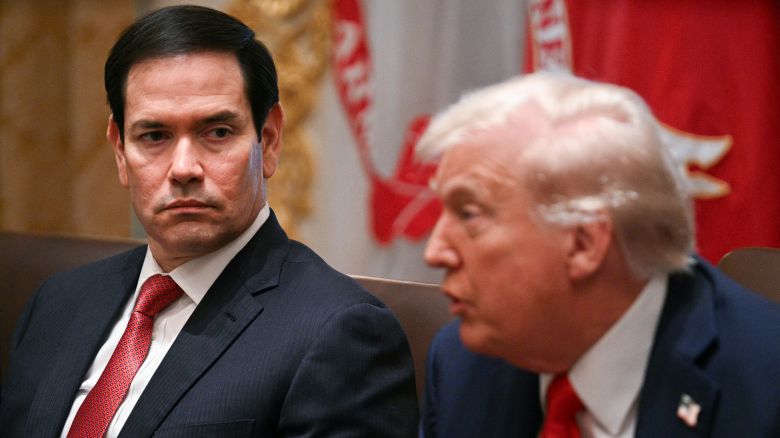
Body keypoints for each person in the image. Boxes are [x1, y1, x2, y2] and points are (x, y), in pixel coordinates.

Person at [0, 5, 418, 437]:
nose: (184, 168)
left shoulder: (339, 334)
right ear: (121, 152)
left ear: (269, 141)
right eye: (154, 136)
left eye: (217, 132)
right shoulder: (57, 304)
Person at [416, 72, 780, 437]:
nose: (435, 252)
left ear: (583, 244)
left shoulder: (765, 389)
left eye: (469, 214)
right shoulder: (462, 366)